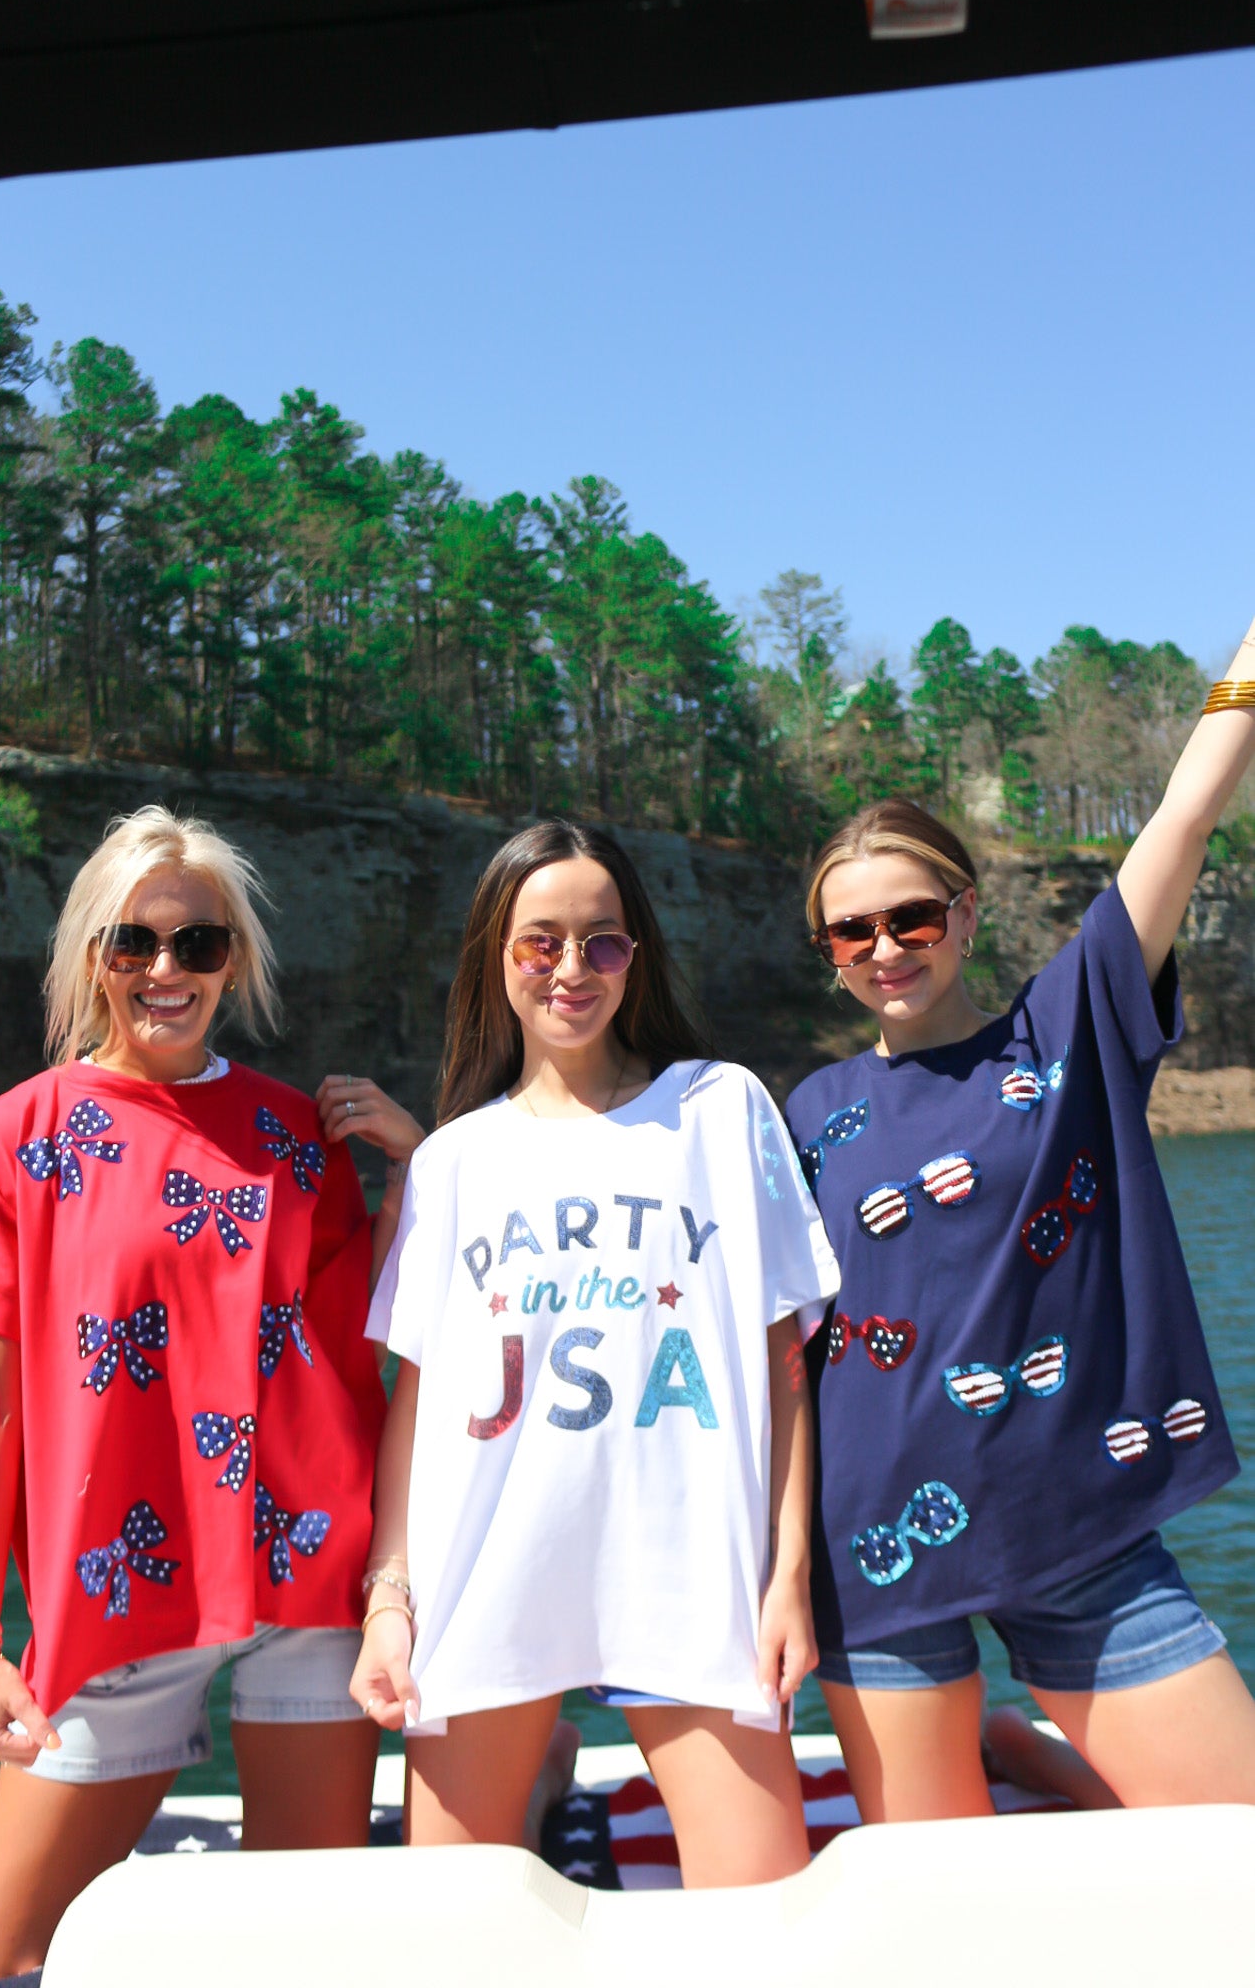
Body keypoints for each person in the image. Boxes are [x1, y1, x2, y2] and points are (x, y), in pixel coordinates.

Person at [0, 804, 422, 1983]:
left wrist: (418, 1168)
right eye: (133, 940)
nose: (165, 968)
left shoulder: (298, 1135)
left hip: (306, 1577)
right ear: (93, 955)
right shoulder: (12, 1142)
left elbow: (375, 1344)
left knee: (300, 1950)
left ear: (235, 960)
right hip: (115, 1591)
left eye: (199, 942)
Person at [784, 628, 1255, 1821]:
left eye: (911, 916)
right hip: (878, 1545)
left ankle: (1024, 1747)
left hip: (1076, 1519)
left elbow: (1186, 814)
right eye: (851, 931)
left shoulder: (1065, 1031)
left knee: (1234, 1834)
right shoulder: (806, 1114)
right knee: (944, 1892)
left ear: (965, 911)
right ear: (830, 952)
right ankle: (1019, 1750)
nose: (884, 948)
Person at [351, 819, 840, 1888]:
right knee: (457, 1926)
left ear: (636, 956)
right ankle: (548, 1774)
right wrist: (389, 1600)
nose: (571, 968)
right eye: (540, 942)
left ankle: (554, 1775)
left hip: (693, 1585)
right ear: (496, 957)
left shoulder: (719, 1109)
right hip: (488, 1584)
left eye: (602, 941)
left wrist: (787, 1574)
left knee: (760, 1919)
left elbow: (783, 1367)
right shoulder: (451, 1162)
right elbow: (417, 1407)